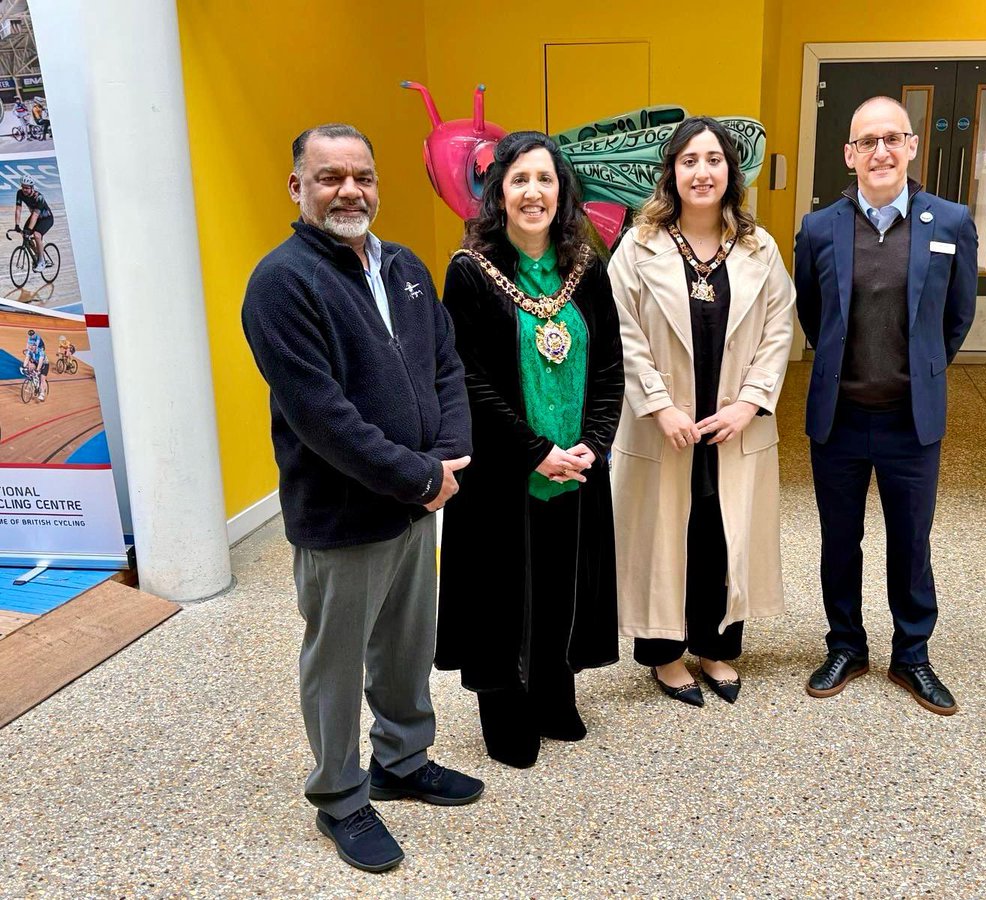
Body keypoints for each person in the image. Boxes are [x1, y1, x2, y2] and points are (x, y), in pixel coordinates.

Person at [241, 123, 483, 874]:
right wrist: (420, 476)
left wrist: (445, 462)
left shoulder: (405, 266)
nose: (350, 190)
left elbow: (447, 366)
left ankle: (402, 762)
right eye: (329, 176)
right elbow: (321, 415)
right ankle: (341, 796)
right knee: (337, 662)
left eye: (362, 176)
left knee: (407, 648)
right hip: (342, 516)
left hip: (416, 503)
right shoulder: (281, 283)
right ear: (298, 188)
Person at [436, 131, 624, 769]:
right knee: (500, 586)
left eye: (545, 180)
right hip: (502, 471)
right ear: (498, 193)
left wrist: (593, 445)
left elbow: (609, 370)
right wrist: (536, 451)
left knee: (561, 578)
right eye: (519, 180)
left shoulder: (587, 267)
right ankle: (503, 702)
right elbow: (467, 377)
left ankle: (552, 685)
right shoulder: (469, 270)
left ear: (562, 191)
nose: (533, 192)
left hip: (577, 468)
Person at [793, 96, 977, 716]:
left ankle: (912, 654)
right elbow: (813, 315)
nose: (880, 151)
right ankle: (846, 644)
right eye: (867, 141)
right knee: (839, 540)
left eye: (892, 139)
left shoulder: (950, 222)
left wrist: (921, 368)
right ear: (849, 154)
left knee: (911, 540)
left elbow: (956, 318)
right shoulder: (819, 228)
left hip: (911, 419)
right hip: (839, 419)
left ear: (912, 147)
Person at [608, 116, 795, 707]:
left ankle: (716, 648)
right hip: (665, 428)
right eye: (689, 161)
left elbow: (779, 329)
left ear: (730, 173)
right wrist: (659, 407)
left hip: (732, 426)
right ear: (671, 173)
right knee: (665, 531)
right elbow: (622, 333)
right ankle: (664, 656)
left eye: (714, 160)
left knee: (720, 529)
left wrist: (750, 403)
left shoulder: (760, 249)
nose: (702, 171)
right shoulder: (636, 249)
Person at [14, 175, 53, 272]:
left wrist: (29, 230)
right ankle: (39, 255)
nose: (24, 189)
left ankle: (41, 262)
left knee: (36, 235)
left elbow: (35, 215)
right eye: (23, 187)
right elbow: (18, 210)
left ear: (32, 188)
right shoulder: (20, 193)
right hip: (35, 217)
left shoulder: (39, 197)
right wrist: (17, 225)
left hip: (46, 219)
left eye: (27, 188)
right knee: (24, 234)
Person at [23, 329, 48, 401]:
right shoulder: (30, 349)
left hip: (44, 364)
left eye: (32, 346)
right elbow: (27, 358)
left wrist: (37, 370)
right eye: (30, 346)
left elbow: (40, 362)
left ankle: (42, 393)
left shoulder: (40, 350)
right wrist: (24, 366)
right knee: (30, 367)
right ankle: (33, 382)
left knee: (42, 379)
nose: (30, 347)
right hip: (36, 361)